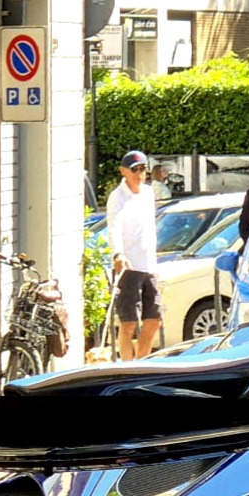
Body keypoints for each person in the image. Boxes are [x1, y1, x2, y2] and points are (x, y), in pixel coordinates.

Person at [106, 149, 161, 360]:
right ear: (123, 171)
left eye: (143, 169)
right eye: (134, 170)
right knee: (128, 323)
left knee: (154, 319)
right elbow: (114, 226)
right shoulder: (116, 197)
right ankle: (126, 368)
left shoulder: (148, 193)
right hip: (128, 267)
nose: (139, 174)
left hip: (149, 265)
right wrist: (118, 253)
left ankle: (140, 364)